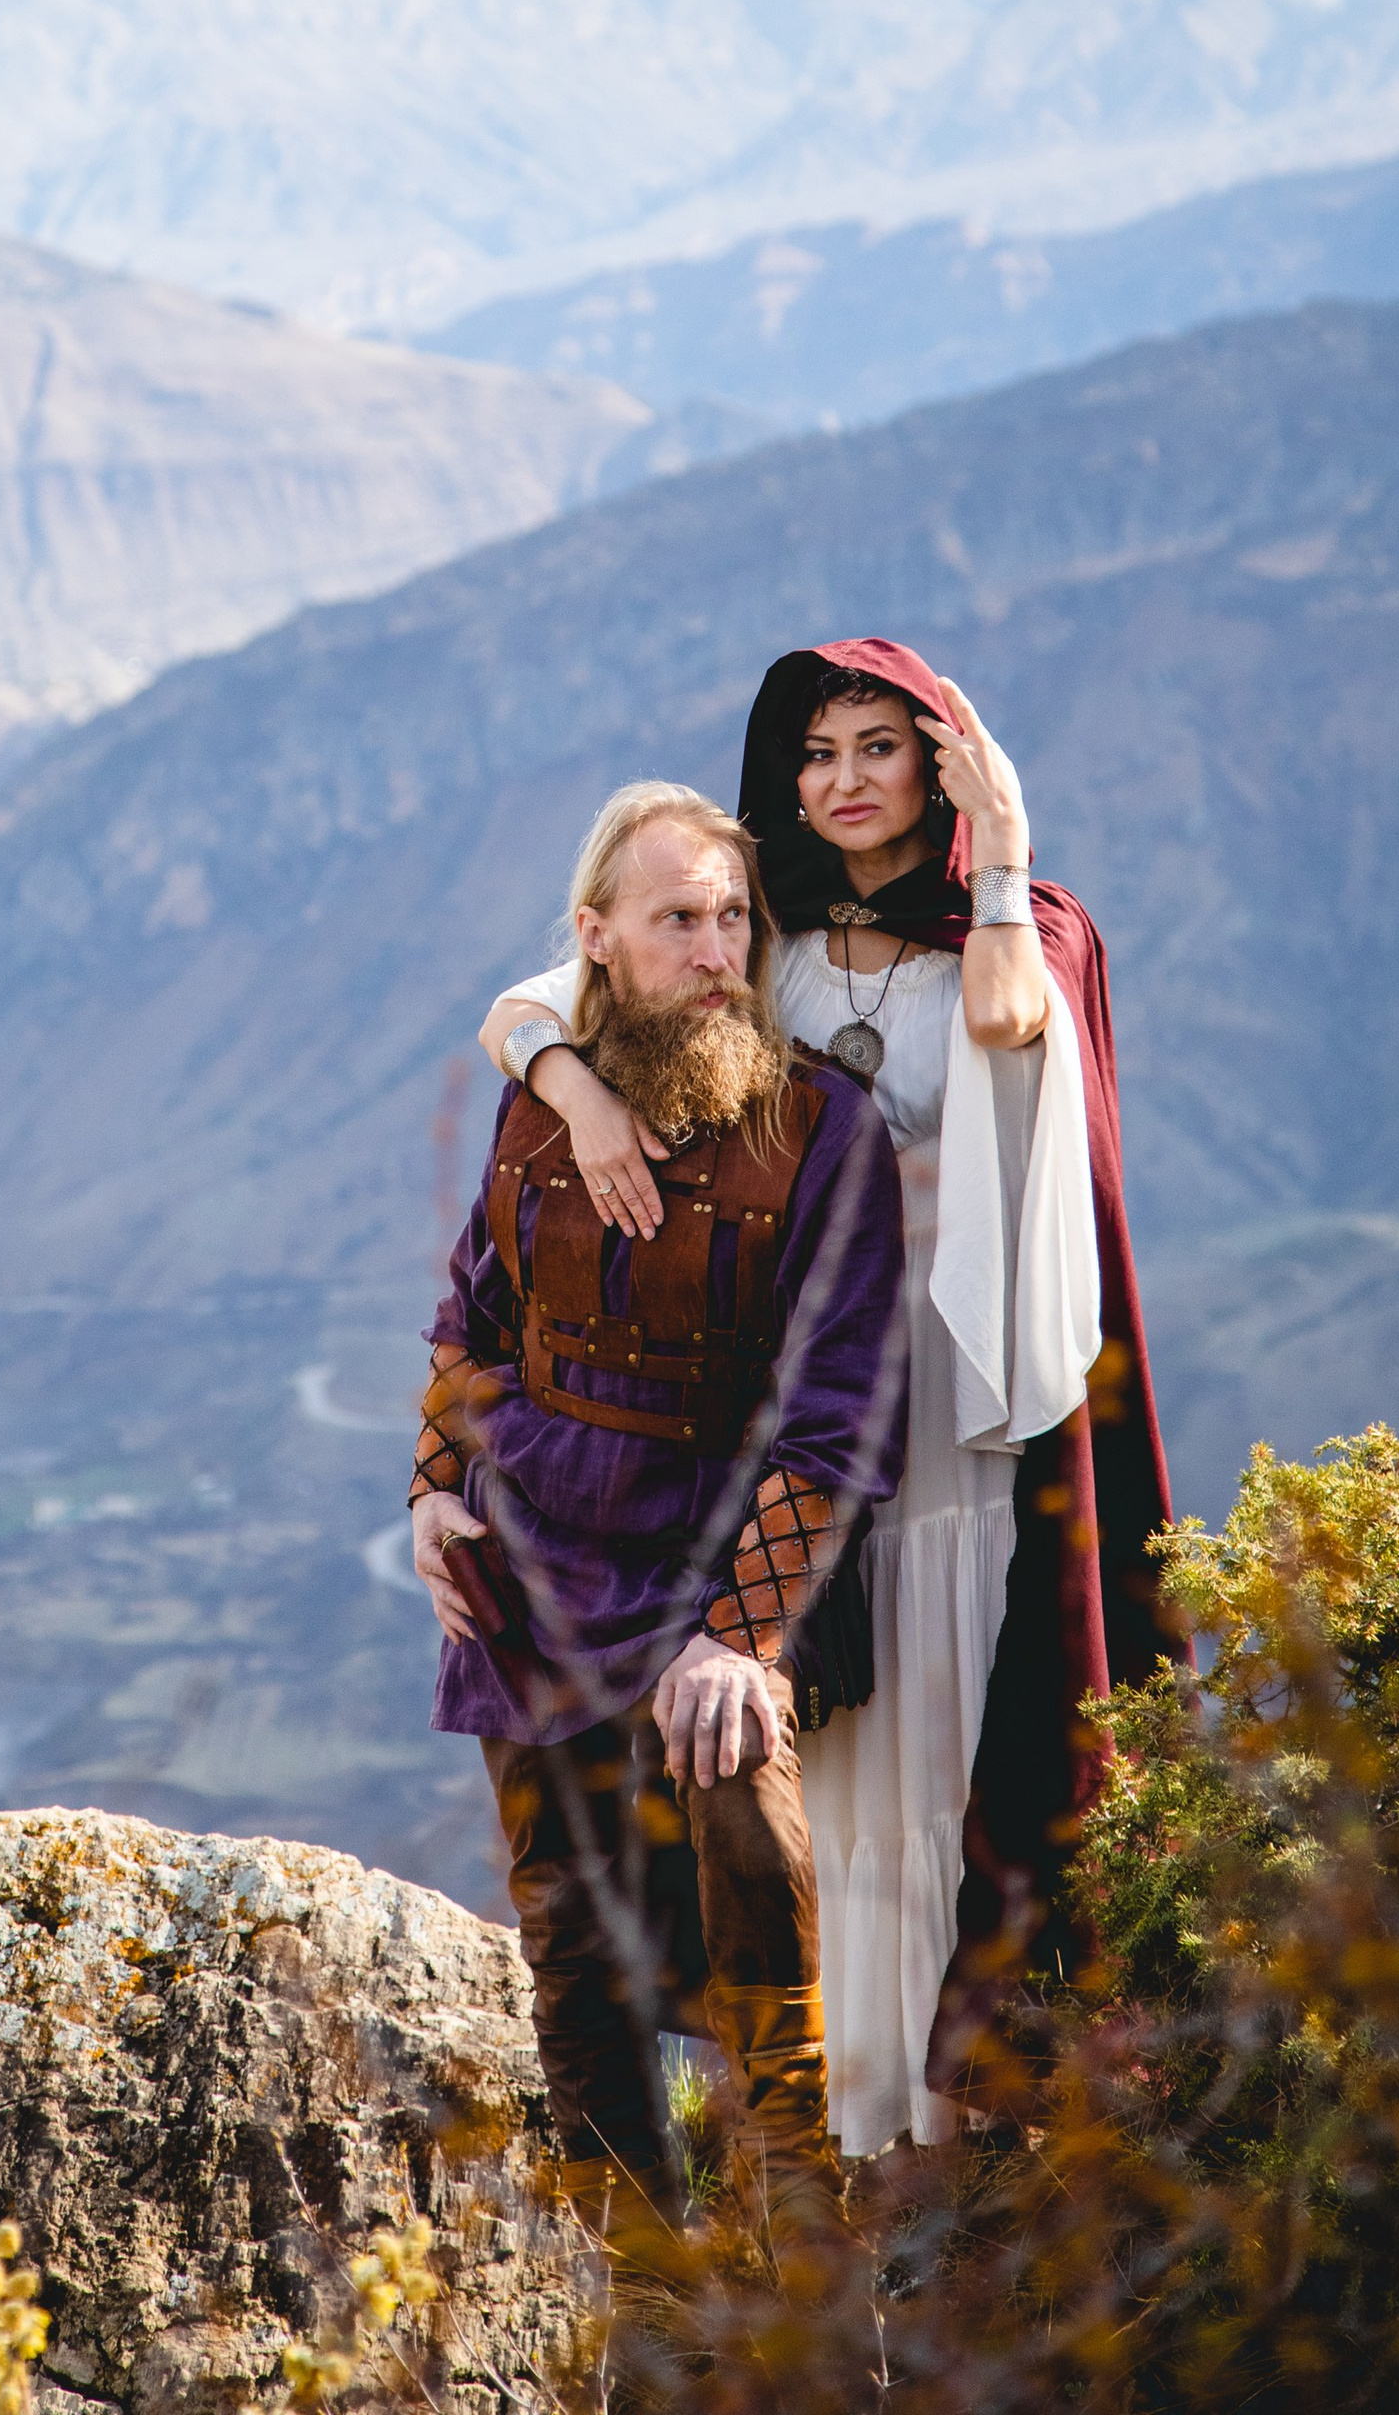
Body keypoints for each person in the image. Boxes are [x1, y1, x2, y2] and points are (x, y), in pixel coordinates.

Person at [479, 641, 1175, 2154]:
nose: (846, 780)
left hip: (959, 1394)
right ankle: (837, 2117)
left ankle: (952, 2102)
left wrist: (1007, 851)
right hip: (802, 1392)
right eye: (817, 755)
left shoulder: (1024, 926)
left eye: (879, 746)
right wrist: (575, 1086)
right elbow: (536, 994)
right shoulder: (767, 929)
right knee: (821, 1751)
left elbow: (1004, 1020)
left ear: (938, 763)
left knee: (951, 1718)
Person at [411, 779, 906, 2248]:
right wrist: (438, 1495)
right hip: (537, 1549)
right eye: (679, 917)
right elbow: (472, 1319)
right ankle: (630, 2260)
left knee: (750, 1853)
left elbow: (838, 1411)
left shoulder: (824, 1127)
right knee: (566, 1914)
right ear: (599, 939)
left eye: (734, 918)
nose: (714, 947)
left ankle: (805, 2233)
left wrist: (739, 1639)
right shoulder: (535, 1106)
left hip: (720, 1550)